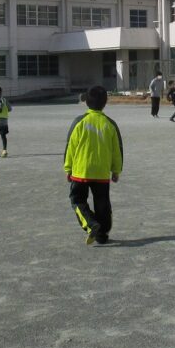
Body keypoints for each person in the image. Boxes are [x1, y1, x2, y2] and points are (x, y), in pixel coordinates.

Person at [64, 85, 123, 245]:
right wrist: (116, 170)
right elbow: (117, 149)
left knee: (77, 200)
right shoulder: (110, 124)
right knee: (102, 204)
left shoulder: (79, 122)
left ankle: (90, 223)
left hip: (81, 171)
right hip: (101, 172)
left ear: (86, 102)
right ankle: (102, 235)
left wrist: (68, 168)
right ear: (105, 103)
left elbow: (70, 147)